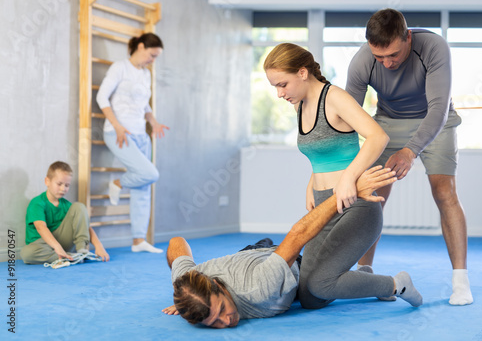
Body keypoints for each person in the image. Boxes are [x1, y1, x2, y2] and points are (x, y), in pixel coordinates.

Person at [163, 167, 422, 328]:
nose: (226, 321)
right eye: (214, 324)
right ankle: (361, 279)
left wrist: (349, 190)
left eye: (221, 310)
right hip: (255, 256)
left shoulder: (258, 288)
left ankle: (395, 284)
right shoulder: (189, 285)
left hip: (279, 263)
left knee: (313, 294)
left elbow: (298, 235)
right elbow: (176, 244)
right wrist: (184, 292)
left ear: (217, 286)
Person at [345, 8, 472, 306]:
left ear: (408, 38)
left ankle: (461, 281)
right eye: (380, 58)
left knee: (445, 192)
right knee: (373, 197)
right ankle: (365, 273)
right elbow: (347, 115)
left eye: (393, 55)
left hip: (436, 121)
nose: (387, 64)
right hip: (387, 124)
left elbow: (439, 108)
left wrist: (410, 151)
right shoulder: (363, 60)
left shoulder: (434, 46)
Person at [263, 43, 393, 309]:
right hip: (324, 204)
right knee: (310, 298)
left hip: (355, 203)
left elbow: (378, 137)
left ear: (302, 72)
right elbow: (322, 151)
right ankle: (360, 278)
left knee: (320, 284)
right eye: (275, 87)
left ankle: (394, 284)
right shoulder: (298, 105)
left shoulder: (334, 97)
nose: (279, 93)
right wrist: (312, 182)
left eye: (282, 84)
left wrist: (348, 179)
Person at [96, 33, 168, 254]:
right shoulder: (120, 68)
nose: (152, 60)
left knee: (143, 186)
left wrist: (153, 122)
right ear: (140, 46)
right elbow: (101, 97)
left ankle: (138, 241)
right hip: (119, 133)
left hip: (140, 135)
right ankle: (117, 183)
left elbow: (144, 104)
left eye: (156, 57)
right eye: (152, 55)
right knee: (150, 174)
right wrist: (117, 125)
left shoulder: (145, 74)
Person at [21, 161, 109, 264]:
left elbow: (85, 226)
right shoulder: (37, 203)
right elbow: (41, 227)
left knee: (79, 207)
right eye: (59, 184)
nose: (63, 188)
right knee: (26, 254)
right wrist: (57, 247)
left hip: (62, 243)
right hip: (41, 245)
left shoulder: (67, 205)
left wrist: (99, 246)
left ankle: (81, 251)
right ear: (47, 181)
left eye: (67, 185)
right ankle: (68, 256)